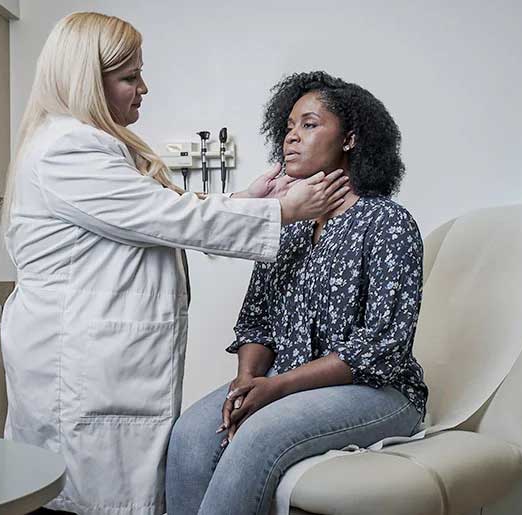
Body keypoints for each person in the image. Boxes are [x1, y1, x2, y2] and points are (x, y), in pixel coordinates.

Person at [0, 14, 349, 515]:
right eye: (128, 77)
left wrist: (251, 199)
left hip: (99, 356)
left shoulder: (382, 223)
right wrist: (282, 210)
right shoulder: (69, 148)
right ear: (85, 81)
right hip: (80, 364)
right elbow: (170, 217)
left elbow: (158, 216)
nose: (143, 87)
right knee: (84, 498)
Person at [165, 71, 428, 515]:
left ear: (350, 139)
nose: (291, 138)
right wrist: (248, 379)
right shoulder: (289, 228)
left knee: (258, 433)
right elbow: (257, 321)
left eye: (309, 124)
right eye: (287, 127)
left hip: (379, 392)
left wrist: (278, 387)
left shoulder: (388, 223)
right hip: (282, 382)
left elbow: (380, 349)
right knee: (191, 432)